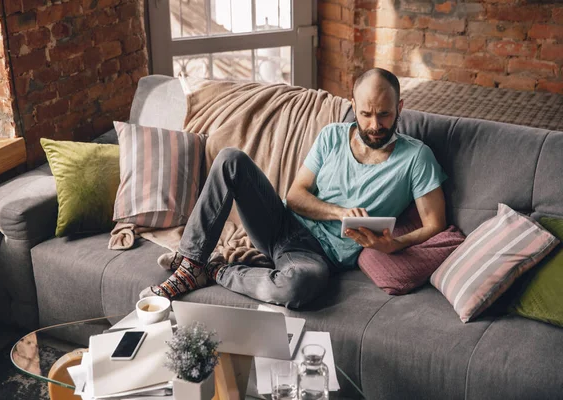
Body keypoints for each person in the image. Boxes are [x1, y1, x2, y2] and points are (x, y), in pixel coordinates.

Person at [141, 68, 447, 308]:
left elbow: (436, 223)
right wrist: (339, 213)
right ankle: (190, 264)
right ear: (353, 106)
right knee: (230, 159)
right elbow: (295, 196)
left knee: (299, 285)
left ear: (400, 107)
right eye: (366, 114)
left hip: (315, 257)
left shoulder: (417, 157)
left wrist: (395, 244)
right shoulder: (332, 136)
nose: (374, 125)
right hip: (281, 225)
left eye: (384, 114)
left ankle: (215, 271)